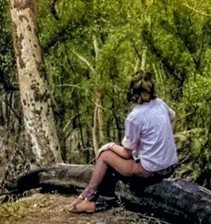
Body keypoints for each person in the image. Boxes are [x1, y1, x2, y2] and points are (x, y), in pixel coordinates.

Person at [70, 70, 178, 213]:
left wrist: (108, 146)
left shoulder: (135, 117)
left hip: (152, 169)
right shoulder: (160, 104)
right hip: (170, 164)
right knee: (114, 159)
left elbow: (126, 153)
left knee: (105, 156)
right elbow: (172, 117)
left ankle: (88, 198)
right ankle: (91, 198)